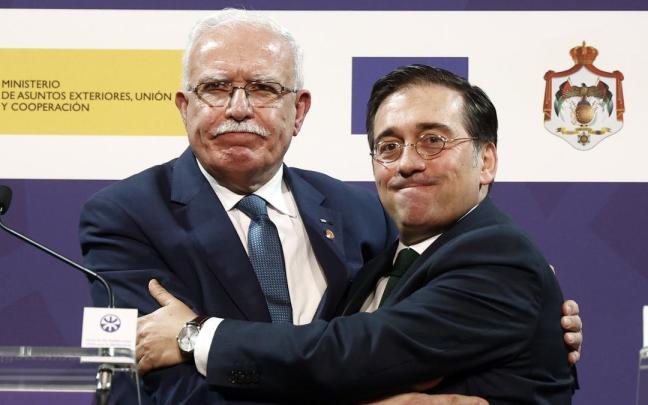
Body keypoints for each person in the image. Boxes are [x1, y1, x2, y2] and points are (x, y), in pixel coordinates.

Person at [80, 9, 580, 404]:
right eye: (214, 88)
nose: (238, 107)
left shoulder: (362, 214)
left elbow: (373, 346)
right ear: (184, 106)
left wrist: (532, 311)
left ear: (298, 110)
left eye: (263, 88)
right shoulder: (124, 216)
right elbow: (148, 382)